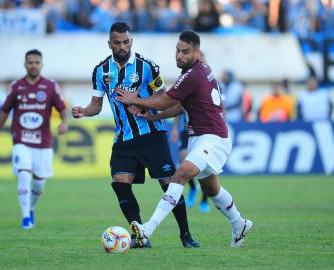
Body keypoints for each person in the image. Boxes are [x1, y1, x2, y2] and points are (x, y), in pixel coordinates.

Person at [116, 30, 253, 248]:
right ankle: (240, 224)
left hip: (212, 138)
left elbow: (165, 100)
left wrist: (136, 99)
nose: (179, 56)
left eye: (185, 52)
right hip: (201, 138)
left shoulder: (192, 75)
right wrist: (155, 117)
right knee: (211, 189)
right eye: (177, 51)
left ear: (197, 53)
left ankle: (147, 229)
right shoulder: (200, 70)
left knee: (179, 174)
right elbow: (180, 106)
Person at [71, 22, 199, 248]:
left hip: (152, 135)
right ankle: (141, 234)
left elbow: (164, 98)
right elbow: (96, 105)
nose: (123, 46)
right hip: (124, 138)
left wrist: (142, 104)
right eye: (118, 42)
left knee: (169, 184)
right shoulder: (101, 71)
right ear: (109, 44)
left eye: (126, 42)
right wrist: (84, 111)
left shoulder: (147, 67)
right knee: (120, 181)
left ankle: (185, 235)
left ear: (132, 41)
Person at [0, 49, 68, 229]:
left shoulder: (50, 86)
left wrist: (64, 122)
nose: (33, 65)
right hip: (21, 140)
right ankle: (26, 219)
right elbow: (4, 112)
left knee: (39, 183)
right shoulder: (16, 86)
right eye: (30, 62)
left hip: (43, 142)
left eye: (36, 62)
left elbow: (62, 108)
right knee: (24, 174)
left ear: (42, 64)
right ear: (25, 64)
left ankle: (31, 208)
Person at [171, 113, 209, 212]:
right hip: (187, 131)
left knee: (205, 167)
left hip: (205, 133)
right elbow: (178, 108)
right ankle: (193, 188)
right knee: (183, 161)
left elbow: (221, 110)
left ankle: (204, 200)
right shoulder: (185, 97)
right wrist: (175, 128)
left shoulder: (216, 97)